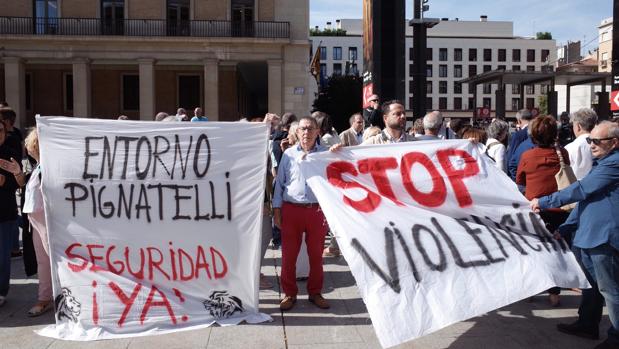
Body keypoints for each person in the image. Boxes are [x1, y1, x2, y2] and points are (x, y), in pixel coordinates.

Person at [531, 121, 619, 348]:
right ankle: (587, 324)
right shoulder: (603, 163)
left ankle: (616, 337)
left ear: (614, 142)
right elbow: (585, 200)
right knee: (591, 286)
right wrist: (567, 227)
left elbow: (580, 190)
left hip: (604, 237)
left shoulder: (614, 164)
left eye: (597, 141)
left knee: (610, 291)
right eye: (590, 140)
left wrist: (543, 201)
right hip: (590, 235)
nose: (591, 145)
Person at [273, 116, 330, 311]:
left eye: (310, 128)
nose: (306, 132)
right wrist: (276, 210)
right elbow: (279, 183)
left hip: (317, 211)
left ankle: (315, 292)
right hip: (292, 210)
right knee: (289, 255)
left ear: (317, 132)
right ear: (297, 132)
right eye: (303, 129)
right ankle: (289, 293)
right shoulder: (288, 154)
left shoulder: (325, 154)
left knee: (316, 256)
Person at [517, 115, 570, 307]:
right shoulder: (562, 153)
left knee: (534, 250)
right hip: (560, 209)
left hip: (535, 209)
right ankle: (555, 293)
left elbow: (520, 181)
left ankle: (532, 289)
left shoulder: (527, 156)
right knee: (557, 250)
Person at [16, 129, 53, 316]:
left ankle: (51, 297)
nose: (27, 148)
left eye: (30, 144)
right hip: (35, 220)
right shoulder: (38, 166)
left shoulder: (49, 166)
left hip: (46, 220)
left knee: (50, 260)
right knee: (42, 262)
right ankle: (45, 297)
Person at [0, 121, 25, 307]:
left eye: (0, 130)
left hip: (5, 212)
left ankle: (1, 291)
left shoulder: (10, 154)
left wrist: (9, 180)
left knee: (2, 257)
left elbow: (20, 183)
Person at [565, 108, 597, 180]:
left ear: (578, 126)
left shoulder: (569, 148)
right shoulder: (603, 144)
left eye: (573, 125)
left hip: (576, 187)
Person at [507, 109, 535, 180]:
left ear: (519, 121)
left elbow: (511, 157)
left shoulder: (518, 135)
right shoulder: (539, 131)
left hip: (521, 173)